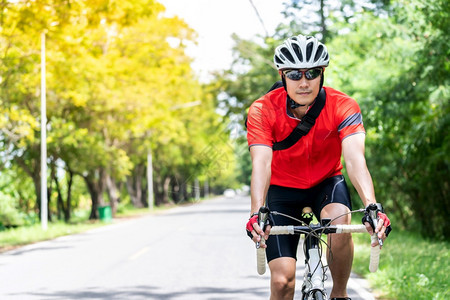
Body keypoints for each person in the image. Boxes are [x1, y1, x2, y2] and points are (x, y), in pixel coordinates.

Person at [245, 34, 392, 300]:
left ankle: (340, 293)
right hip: (282, 190)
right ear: (282, 75)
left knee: (339, 220)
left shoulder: (343, 106)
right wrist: (257, 213)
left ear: (322, 73)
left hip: (327, 182)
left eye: (311, 73)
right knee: (282, 282)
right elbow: (261, 163)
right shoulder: (262, 110)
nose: (304, 82)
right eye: (294, 74)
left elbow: (355, 160)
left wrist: (372, 205)